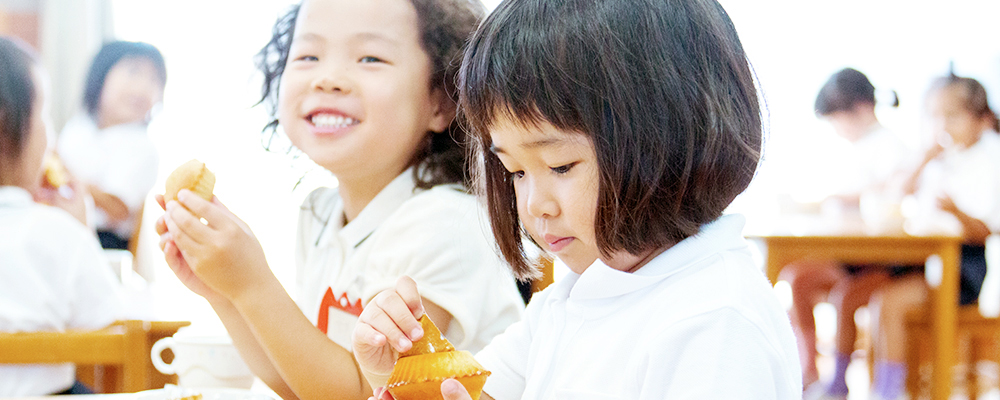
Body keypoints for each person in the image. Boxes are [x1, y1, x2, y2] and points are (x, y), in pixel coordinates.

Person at [351, 0, 802, 398]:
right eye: (516, 172)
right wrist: (403, 376)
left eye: (561, 166)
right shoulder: (569, 301)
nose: (533, 205)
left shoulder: (714, 320)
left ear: (671, 136)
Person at [155, 0, 525, 399]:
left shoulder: (445, 221)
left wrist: (252, 284)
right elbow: (299, 384)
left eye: (370, 58)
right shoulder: (320, 214)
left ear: (442, 101)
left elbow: (359, 392)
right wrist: (224, 293)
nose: (329, 79)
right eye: (309, 55)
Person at [0, 36, 127, 396]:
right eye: (45, 116)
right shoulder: (58, 233)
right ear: (13, 132)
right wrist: (80, 232)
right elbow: (107, 322)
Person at [864, 74, 1000, 400]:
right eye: (934, 116)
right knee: (871, 294)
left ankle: (888, 391)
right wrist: (923, 159)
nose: (942, 125)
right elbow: (898, 193)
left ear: (981, 121)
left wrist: (955, 212)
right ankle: (883, 385)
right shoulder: (938, 161)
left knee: (890, 303)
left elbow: (986, 231)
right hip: (923, 261)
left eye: (952, 116)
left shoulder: (989, 160)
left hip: (964, 268)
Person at [784, 68, 910, 400]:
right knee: (797, 278)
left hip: (880, 261)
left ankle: (839, 382)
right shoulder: (854, 149)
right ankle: (808, 369)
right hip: (847, 256)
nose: (837, 131)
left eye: (837, 120)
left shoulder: (891, 147)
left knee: (845, 297)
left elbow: (890, 197)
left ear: (859, 109)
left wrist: (845, 200)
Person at [57, 40, 166, 251]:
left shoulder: (141, 147)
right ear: (101, 76)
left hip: (103, 243)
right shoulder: (79, 127)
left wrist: (69, 179)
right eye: (134, 72)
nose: (144, 87)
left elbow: (118, 209)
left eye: (154, 79)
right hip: (62, 228)